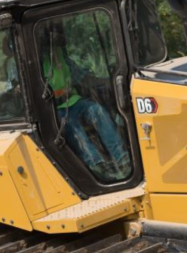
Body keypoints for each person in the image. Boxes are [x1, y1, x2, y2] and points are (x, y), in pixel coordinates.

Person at [43, 29, 131, 182]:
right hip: (55, 108)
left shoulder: (63, 58)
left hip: (74, 101)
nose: (60, 41)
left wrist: (107, 81)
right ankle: (97, 164)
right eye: (56, 38)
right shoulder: (37, 61)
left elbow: (83, 78)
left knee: (97, 111)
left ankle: (122, 157)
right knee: (70, 123)